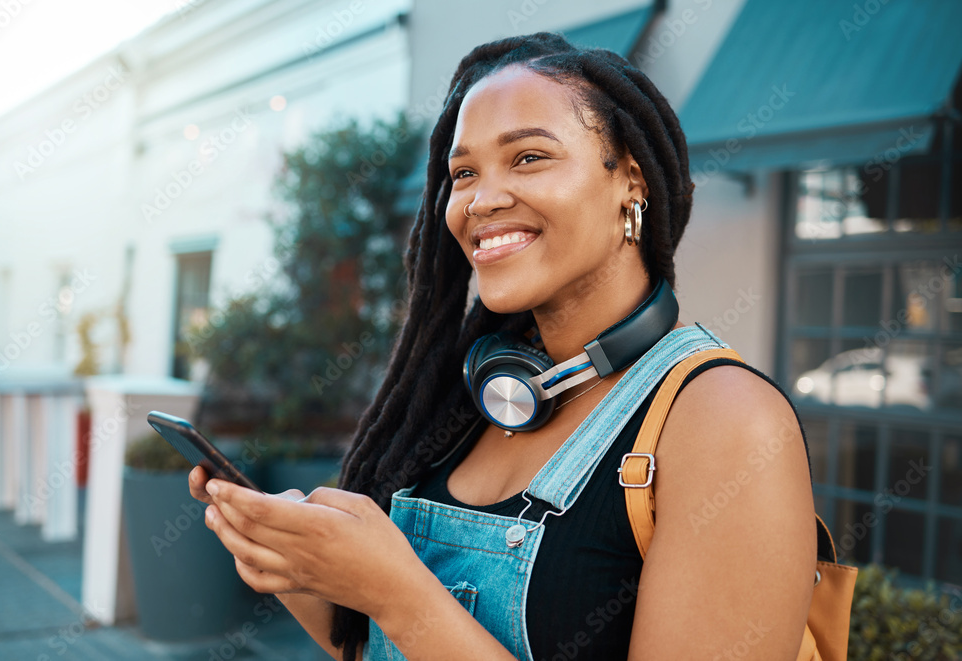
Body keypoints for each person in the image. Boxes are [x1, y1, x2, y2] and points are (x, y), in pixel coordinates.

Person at [189, 32, 817, 660]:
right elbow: (379, 649)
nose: (481, 200)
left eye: (528, 158)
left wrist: (397, 596)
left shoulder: (726, 421)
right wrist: (304, 569)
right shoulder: (471, 404)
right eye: (464, 173)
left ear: (631, 179)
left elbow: (406, 614)